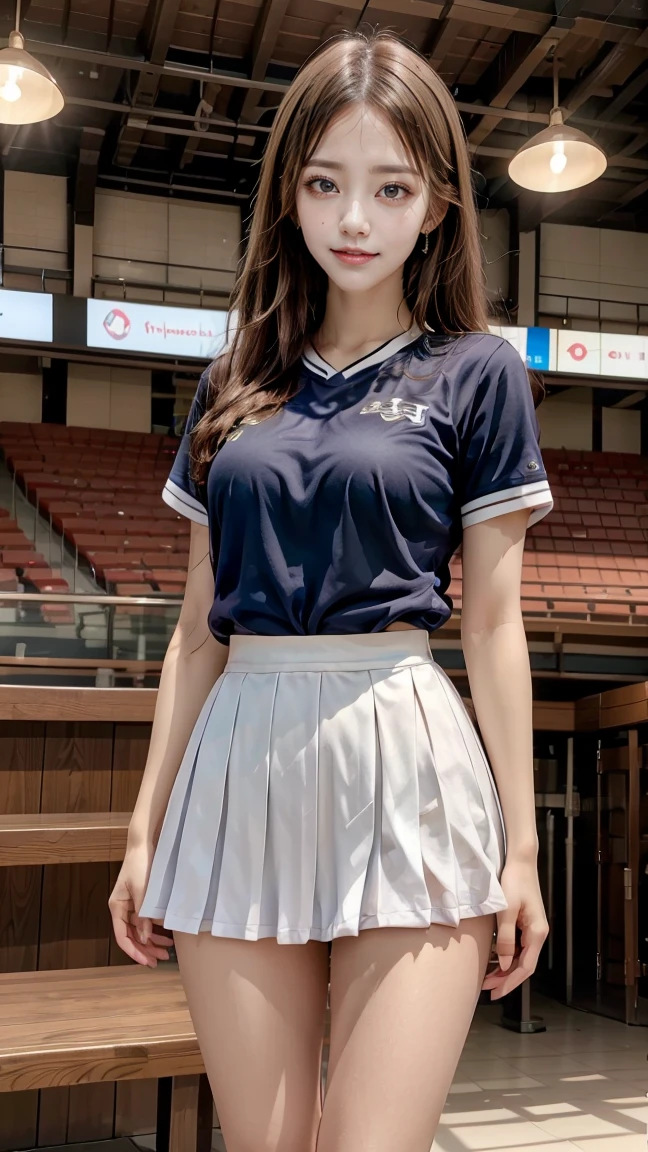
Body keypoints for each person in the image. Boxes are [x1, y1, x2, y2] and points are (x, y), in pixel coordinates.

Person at [109, 28, 551, 1152]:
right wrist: (146, 826)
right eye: (325, 183)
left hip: (407, 755)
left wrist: (521, 849)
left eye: (391, 187)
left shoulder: (477, 371)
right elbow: (199, 632)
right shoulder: (231, 380)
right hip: (241, 758)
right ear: (290, 195)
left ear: (438, 203)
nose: (355, 219)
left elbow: (494, 625)